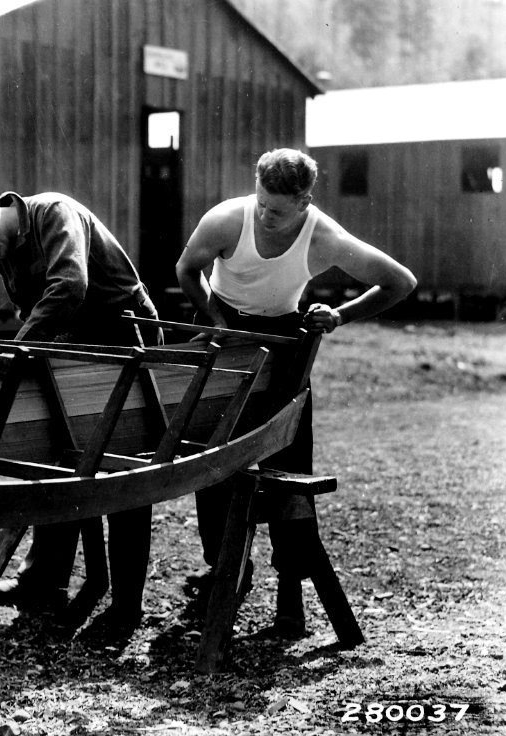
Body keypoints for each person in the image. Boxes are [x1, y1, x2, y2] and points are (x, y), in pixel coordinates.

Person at [175, 147, 416, 637]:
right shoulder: (227, 220)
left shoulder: (322, 236)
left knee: (288, 471)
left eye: (279, 210)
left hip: (285, 344)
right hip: (224, 337)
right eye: (262, 203)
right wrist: (218, 321)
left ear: (305, 202)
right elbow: (186, 269)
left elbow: (400, 282)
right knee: (213, 463)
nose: (265, 215)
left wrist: (341, 315)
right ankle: (225, 579)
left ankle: (290, 601)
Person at [0, 189, 162, 640]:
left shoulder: (53, 213)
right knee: (56, 455)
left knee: (124, 470)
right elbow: (29, 308)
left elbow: (71, 285)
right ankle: (43, 581)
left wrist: (19, 350)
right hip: (75, 344)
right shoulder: (6, 247)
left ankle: (127, 606)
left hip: (122, 339)